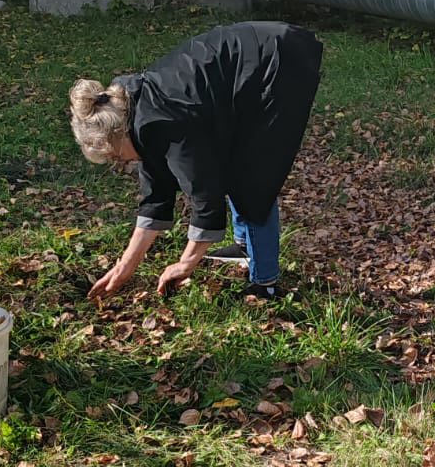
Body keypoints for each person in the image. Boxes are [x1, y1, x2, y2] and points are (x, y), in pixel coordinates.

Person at [69, 22, 323, 302]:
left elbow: (205, 194)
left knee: (252, 176)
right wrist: (123, 268)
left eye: (116, 156)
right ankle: (244, 246)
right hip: (250, 65)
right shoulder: (137, 116)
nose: (122, 163)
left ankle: (266, 284)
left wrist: (186, 263)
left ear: (119, 133)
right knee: (233, 163)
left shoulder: (165, 123)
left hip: (279, 59)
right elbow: (156, 198)